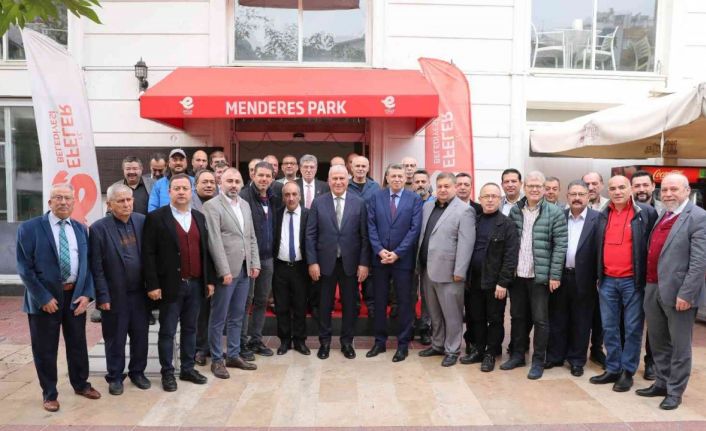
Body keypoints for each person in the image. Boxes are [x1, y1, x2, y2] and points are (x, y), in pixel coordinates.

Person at [16, 183, 101, 412]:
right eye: (58, 197)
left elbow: (88, 266)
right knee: (45, 348)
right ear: (50, 202)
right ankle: (49, 393)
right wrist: (43, 297)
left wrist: (87, 294)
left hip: (74, 297)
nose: (63, 202)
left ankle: (81, 384)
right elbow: (24, 268)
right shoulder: (30, 228)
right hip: (44, 301)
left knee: (78, 344)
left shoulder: (81, 229)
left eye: (68, 198)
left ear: (74, 202)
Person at [637, 173, 706, 410]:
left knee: (680, 345)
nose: (668, 194)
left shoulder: (698, 217)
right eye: (664, 190)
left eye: (674, 189)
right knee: (658, 341)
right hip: (653, 288)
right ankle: (662, 383)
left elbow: (699, 262)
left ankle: (675, 391)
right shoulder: (664, 215)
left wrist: (687, 294)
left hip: (679, 293)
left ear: (687, 191)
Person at [142, 173, 215, 392]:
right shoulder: (156, 218)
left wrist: (209, 281)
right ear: (169, 192)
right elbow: (148, 253)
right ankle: (167, 372)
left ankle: (187, 368)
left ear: (191, 191)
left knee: (191, 329)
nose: (181, 192)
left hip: (195, 284)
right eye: (177, 188)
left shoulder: (199, 217)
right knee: (167, 331)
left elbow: (205, 252)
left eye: (185, 188)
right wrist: (153, 284)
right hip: (169, 286)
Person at [590, 175, 657, 392]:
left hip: (633, 282)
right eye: (613, 188)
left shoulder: (645, 213)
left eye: (622, 187)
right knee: (609, 328)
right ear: (607, 191)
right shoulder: (603, 214)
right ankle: (613, 368)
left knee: (632, 328)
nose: (617, 192)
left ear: (630, 189)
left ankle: (627, 371)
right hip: (607, 281)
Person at [501, 171, 567, 380]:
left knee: (541, 320)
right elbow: (509, 244)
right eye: (531, 185)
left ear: (544, 188)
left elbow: (560, 246)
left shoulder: (554, 212)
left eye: (539, 186)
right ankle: (518, 355)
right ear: (524, 187)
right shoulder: (515, 211)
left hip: (540, 277)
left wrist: (554, 275)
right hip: (518, 275)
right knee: (517, 318)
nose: (535, 189)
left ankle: (538, 361)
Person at [90, 184, 150, 395]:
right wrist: (102, 296)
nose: (126, 204)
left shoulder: (142, 221)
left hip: (140, 294)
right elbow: (96, 267)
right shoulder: (98, 228)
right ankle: (115, 377)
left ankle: (137, 372)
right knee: (115, 338)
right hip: (114, 296)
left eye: (129, 199)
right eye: (121, 201)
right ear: (109, 204)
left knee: (141, 336)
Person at [306, 165, 370, 360]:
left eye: (342, 178)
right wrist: (312, 262)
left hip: (350, 264)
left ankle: (347, 342)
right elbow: (310, 235)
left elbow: (364, 236)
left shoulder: (359, 203)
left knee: (350, 306)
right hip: (325, 263)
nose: (338, 182)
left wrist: (364, 263)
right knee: (324, 305)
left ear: (347, 180)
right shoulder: (319, 202)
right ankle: (324, 343)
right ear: (328, 180)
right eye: (334, 178)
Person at [203, 168, 260, 378]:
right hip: (226, 272)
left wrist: (255, 262)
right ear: (221, 183)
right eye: (229, 181)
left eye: (237, 181)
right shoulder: (212, 206)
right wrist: (223, 270)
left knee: (238, 315)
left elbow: (251, 236)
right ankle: (217, 359)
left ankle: (233, 355)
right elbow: (214, 241)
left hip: (244, 269)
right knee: (219, 317)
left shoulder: (244, 205)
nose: (234, 185)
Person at [417, 172, 475, 367]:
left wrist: (460, 271)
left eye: (446, 186)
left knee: (452, 315)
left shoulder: (465, 211)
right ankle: (438, 344)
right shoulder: (427, 207)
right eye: (439, 186)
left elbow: (466, 244)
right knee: (434, 313)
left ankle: (452, 349)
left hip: (450, 273)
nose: (442, 189)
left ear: (455, 187)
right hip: (427, 269)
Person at [366, 164, 423, 363]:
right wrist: (379, 250)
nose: (397, 179)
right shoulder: (376, 197)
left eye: (400, 176)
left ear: (405, 178)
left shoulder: (414, 199)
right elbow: (371, 226)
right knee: (380, 301)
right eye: (393, 176)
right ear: (387, 178)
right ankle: (379, 342)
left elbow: (415, 229)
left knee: (404, 303)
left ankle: (403, 344)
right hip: (380, 259)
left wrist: (398, 253)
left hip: (403, 260)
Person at [460, 182, 518, 372]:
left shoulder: (507, 224)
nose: (490, 200)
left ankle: (491, 353)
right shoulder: (473, 221)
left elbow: (510, 256)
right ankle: (478, 350)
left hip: (495, 283)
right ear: (480, 199)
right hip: (473, 280)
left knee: (494, 319)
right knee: (476, 317)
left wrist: (503, 282)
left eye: (494, 196)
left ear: (499, 199)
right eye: (486, 196)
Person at [546, 180, 599, 377]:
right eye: (573, 194)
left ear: (588, 196)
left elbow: (600, 250)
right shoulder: (558, 216)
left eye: (581, 194)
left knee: (581, 320)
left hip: (585, 278)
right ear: (567, 197)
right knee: (557, 318)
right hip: (559, 276)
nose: (577, 198)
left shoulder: (598, 219)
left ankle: (577, 360)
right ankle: (555, 356)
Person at [239, 161, 280, 358]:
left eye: (268, 176)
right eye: (260, 175)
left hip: (267, 258)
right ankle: (241, 342)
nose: (264, 179)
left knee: (262, 301)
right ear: (253, 175)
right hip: (248, 258)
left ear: (272, 178)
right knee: (245, 301)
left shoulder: (273, 197)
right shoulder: (243, 197)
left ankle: (256, 339)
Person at [272, 182, 311, 356]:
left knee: (300, 305)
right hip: (280, 267)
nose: (291, 198)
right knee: (281, 306)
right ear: (283, 197)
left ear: (300, 196)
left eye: (294, 194)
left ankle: (300, 341)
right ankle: (285, 341)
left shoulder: (308, 215)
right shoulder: (276, 214)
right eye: (287, 195)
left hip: (301, 268)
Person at [631, 169, 662, 380]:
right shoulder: (625, 210)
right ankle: (626, 361)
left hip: (656, 276)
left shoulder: (664, 211)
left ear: (653, 186)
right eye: (637, 186)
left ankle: (651, 362)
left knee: (655, 323)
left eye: (645, 185)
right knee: (629, 322)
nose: (641, 189)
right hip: (630, 276)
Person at [192, 169, 219, 365]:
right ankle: (199, 348)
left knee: (215, 308)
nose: (209, 185)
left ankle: (212, 346)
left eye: (212, 182)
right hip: (198, 264)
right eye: (205, 182)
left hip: (218, 262)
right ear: (196, 185)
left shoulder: (220, 203)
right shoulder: (190, 205)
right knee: (200, 310)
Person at [584, 171, 609, 368]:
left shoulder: (610, 206)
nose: (591, 187)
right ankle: (577, 348)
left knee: (601, 314)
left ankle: (597, 348)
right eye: (587, 184)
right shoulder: (573, 205)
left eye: (594, 183)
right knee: (581, 312)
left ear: (601, 184)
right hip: (581, 269)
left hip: (605, 269)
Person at [411, 168, 434, 345]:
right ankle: (410, 325)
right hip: (409, 255)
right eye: (417, 182)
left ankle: (426, 327)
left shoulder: (437, 203)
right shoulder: (408, 201)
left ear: (429, 183)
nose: (420, 185)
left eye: (423, 181)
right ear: (412, 184)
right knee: (410, 293)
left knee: (427, 295)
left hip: (429, 256)